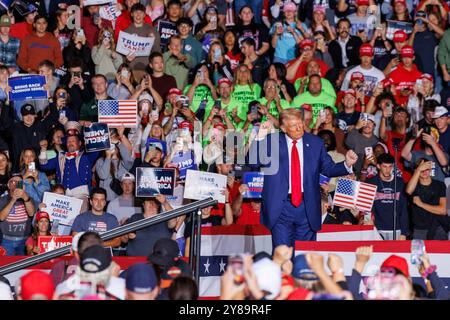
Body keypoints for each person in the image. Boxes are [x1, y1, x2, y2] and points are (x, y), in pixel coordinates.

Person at [249, 108, 358, 248]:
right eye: (293, 125)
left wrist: (346, 164)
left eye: (300, 123)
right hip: (280, 207)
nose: (299, 128)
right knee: (282, 253)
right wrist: (260, 138)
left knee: (305, 254)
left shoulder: (315, 142)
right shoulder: (271, 141)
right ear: (283, 127)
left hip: (307, 206)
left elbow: (328, 168)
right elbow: (253, 162)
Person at [366, 153, 409, 240]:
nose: (387, 170)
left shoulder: (400, 182)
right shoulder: (371, 182)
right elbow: (367, 207)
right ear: (378, 166)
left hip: (396, 229)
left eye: (390, 166)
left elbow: (404, 209)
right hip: (377, 229)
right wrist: (369, 223)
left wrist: (404, 233)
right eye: (384, 166)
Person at [406, 159, 449, 240]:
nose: (424, 171)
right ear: (416, 170)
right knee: (418, 253)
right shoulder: (413, 185)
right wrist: (419, 169)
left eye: (427, 169)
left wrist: (421, 204)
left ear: (430, 170)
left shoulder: (439, 185)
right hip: (419, 229)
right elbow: (408, 191)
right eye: (422, 169)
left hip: (438, 227)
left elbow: (443, 210)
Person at [0, 174, 35, 256]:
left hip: (24, 241)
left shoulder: (28, 198)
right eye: (13, 181)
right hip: (6, 240)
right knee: (7, 266)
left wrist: (25, 197)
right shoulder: (2, 199)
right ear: (9, 185)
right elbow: (1, 217)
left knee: (24, 267)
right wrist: (13, 200)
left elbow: (31, 213)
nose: (16, 184)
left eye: (19, 182)